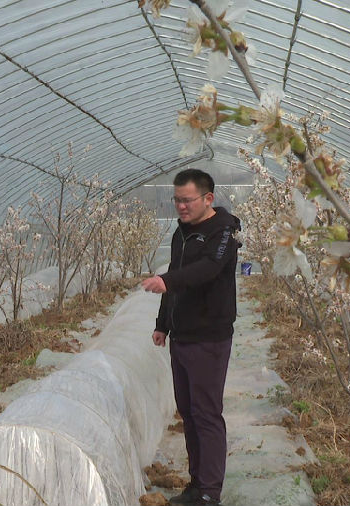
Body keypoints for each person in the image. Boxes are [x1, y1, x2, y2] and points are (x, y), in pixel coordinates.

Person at [142, 168, 241, 506]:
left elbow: (207, 270)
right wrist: (163, 324)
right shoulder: (181, 233)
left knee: (206, 413)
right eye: (177, 200)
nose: (181, 206)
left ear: (208, 198)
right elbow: (175, 273)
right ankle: (196, 484)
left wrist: (167, 282)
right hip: (182, 336)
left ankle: (210, 492)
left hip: (209, 337)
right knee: (188, 411)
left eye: (187, 200)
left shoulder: (224, 233)